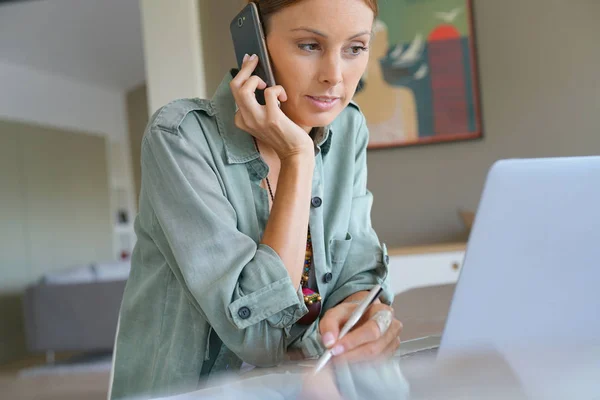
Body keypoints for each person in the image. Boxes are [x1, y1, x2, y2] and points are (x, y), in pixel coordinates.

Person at [109, 0, 403, 399]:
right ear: (256, 47)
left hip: (315, 384)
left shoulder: (348, 126)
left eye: (355, 48)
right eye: (310, 46)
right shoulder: (179, 138)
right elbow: (257, 335)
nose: (335, 77)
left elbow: (359, 269)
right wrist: (297, 157)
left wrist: (364, 313)